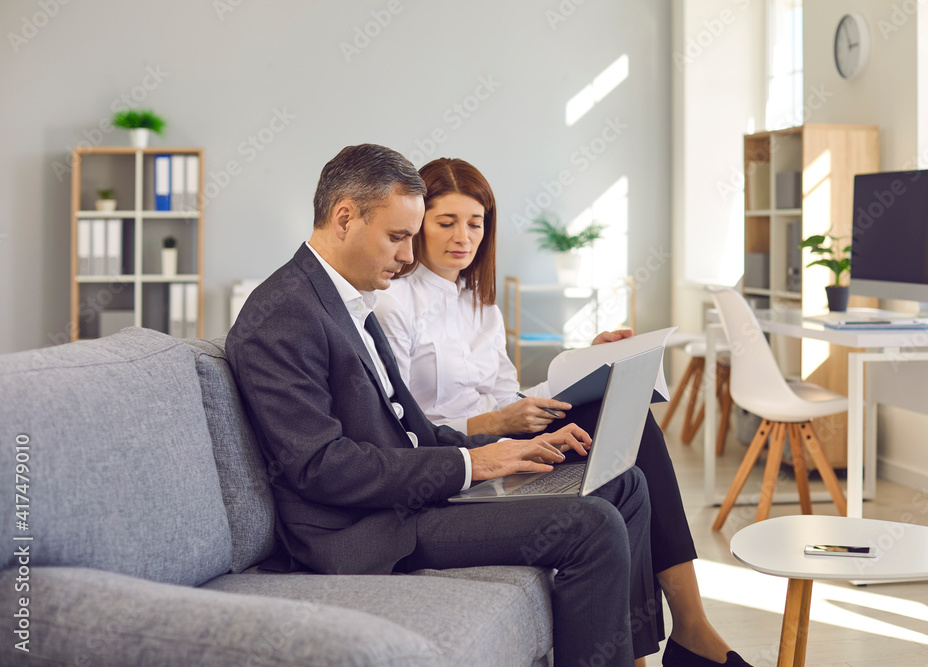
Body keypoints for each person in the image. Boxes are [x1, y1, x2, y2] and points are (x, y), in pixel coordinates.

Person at [227, 143, 663, 667]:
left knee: (624, 482)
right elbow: (320, 467)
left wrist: (505, 445)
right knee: (591, 525)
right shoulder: (283, 315)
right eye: (398, 237)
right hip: (365, 529)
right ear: (345, 218)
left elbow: (413, 431)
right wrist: (473, 463)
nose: (410, 256)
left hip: (411, 494)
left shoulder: (348, 300)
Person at [375, 157, 753, 667]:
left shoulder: (478, 301)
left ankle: (684, 629)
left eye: (476, 223)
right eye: (446, 222)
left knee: (625, 409)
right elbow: (407, 428)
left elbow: (506, 393)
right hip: (461, 458)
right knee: (627, 450)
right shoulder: (392, 304)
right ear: (418, 222)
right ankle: (685, 636)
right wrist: (495, 426)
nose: (462, 237)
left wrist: (587, 362)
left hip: (507, 435)